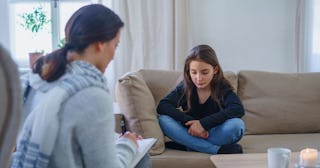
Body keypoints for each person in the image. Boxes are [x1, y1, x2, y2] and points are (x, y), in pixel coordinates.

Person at [11, 4, 151, 168]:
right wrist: (128, 144)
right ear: (100, 44)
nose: (113, 55)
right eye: (115, 45)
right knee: (141, 156)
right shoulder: (92, 93)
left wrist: (115, 140)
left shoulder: (35, 80)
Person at [157, 44, 245, 154]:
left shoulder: (222, 87)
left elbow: (237, 109)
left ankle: (189, 145)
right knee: (163, 120)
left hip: (214, 132)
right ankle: (215, 149)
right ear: (188, 71)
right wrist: (190, 123)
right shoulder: (185, 87)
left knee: (237, 125)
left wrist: (203, 124)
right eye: (193, 72)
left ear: (215, 70)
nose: (199, 78)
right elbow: (163, 105)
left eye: (204, 72)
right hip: (189, 131)